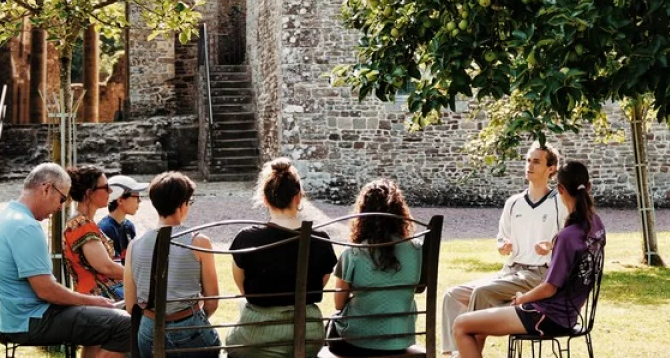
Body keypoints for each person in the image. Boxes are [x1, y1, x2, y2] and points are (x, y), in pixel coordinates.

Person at [451, 160, 606, 358]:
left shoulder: (568, 235)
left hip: (546, 315)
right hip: (569, 313)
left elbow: (549, 287)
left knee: (461, 325)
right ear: (589, 187)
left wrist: (522, 299)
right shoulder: (596, 226)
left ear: (560, 189)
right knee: (478, 328)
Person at [0, 162, 134, 358]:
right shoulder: (26, 226)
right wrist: (90, 301)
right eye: (62, 198)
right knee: (126, 325)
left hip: (14, 317)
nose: (60, 207)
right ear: (46, 189)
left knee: (105, 320)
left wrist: (87, 303)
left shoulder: (8, 216)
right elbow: (46, 290)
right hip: (31, 319)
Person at [441, 144, 567, 356]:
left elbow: (570, 242)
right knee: (451, 296)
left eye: (536, 162)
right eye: (528, 160)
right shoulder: (513, 203)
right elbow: (502, 239)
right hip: (510, 272)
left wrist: (551, 245)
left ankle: (466, 354)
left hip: (538, 274)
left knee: (482, 292)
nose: (529, 166)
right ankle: (456, 353)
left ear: (551, 169)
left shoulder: (558, 204)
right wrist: (503, 246)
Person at [227, 158, 339, 357]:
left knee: (233, 337)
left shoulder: (246, 238)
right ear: (298, 197)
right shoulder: (321, 240)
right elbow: (319, 284)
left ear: (265, 198)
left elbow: (242, 286)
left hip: (258, 335)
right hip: (308, 334)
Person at [123, 171, 220, 358]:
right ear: (182, 204)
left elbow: (131, 305)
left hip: (148, 330)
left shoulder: (135, 245)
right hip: (188, 325)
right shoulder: (198, 242)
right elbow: (212, 302)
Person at [328, 179, 423, 356]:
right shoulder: (417, 249)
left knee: (331, 325)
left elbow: (339, 303)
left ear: (363, 214)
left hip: (356, 340)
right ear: (399, 212)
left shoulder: (354, 252)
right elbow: (418, 288)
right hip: (399, 338)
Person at [66, 165, 128, 300]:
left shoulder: (81, 222)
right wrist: (139, 275)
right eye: (105, 188)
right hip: (99, 296)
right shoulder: (82, 224)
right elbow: (105, 267)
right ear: (89, 193)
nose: (110, 191)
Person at [101, 174, 146, 262]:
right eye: (136, 196)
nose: (140, 200)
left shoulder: (129, 226)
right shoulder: (106, 229)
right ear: (120, 200)